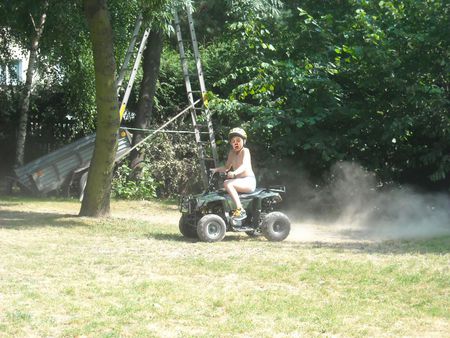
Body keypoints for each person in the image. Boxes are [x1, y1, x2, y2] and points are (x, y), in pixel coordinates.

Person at [211, 127, 256, 220]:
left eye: (238, 140)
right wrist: (216, 170)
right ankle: (225, 212)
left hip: (248, 181)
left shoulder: (245, 151)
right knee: (222, 189)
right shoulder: (231, 153)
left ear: (244, 141)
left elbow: (245, 165)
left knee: (227, 183)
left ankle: (240, 209)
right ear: (231, 143)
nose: (236, 143)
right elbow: (227, 167)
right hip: (239, 181)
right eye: (233, 141)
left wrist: (234, 173)